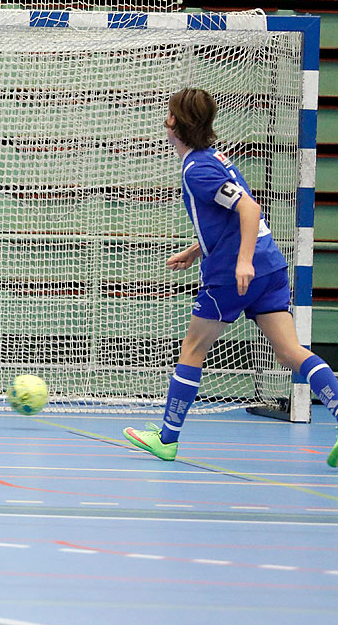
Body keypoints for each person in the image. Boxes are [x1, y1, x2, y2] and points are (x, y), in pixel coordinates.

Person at [125, 88, 337, 465]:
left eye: (169, 112)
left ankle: (167, 438)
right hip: (269, 266)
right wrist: (195, 251)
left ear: (174, 122)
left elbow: (250, 209)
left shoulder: (198, 169)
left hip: (234, 275)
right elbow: (229, 216)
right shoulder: (213, 158)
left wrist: (241, 262)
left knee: (193, 349)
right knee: (290, 352)